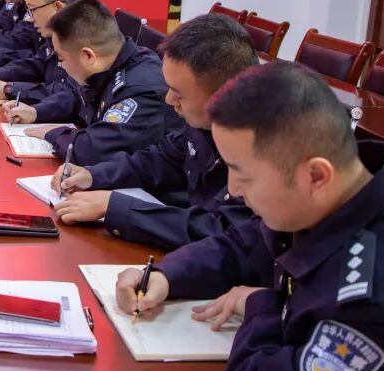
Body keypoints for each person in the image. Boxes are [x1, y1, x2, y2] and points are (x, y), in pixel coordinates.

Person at [115, 62, 384, 371]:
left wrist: (262, 305)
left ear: (316, 176)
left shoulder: (371, 300)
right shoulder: (339, 191)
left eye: (243, 175)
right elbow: (246, 243)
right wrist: (167, 275)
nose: (233, 189)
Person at [49, 13, 258, 250]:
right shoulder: (202, 123)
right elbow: (162, 159)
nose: (169, 100)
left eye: (179, 93)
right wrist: (94, 175)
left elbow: (223, 232)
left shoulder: (263, 148)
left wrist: (115, 207)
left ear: (221, 95)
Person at [17, 0, 183, 164]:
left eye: (61, 59)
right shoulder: (112, 62)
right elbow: (77, 96)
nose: (62, 66)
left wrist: (52, 133)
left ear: (88, 56)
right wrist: (36, 112)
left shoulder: (139, 89)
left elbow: (93, 150)